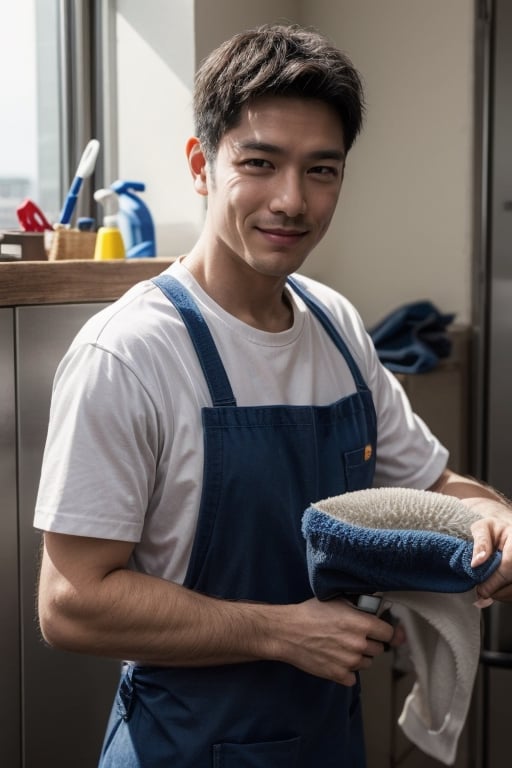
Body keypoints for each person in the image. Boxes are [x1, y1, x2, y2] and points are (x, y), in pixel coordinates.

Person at [35, 23, 512, 768]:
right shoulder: (127, 353)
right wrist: (280, 631)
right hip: (184, 743)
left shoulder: (336, 323)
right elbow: (71, 605)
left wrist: (493, 515)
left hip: (327, 735)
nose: (292, 200)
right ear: (201, 165)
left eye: (322, 170)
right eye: (259, 163)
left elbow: (432, 483)